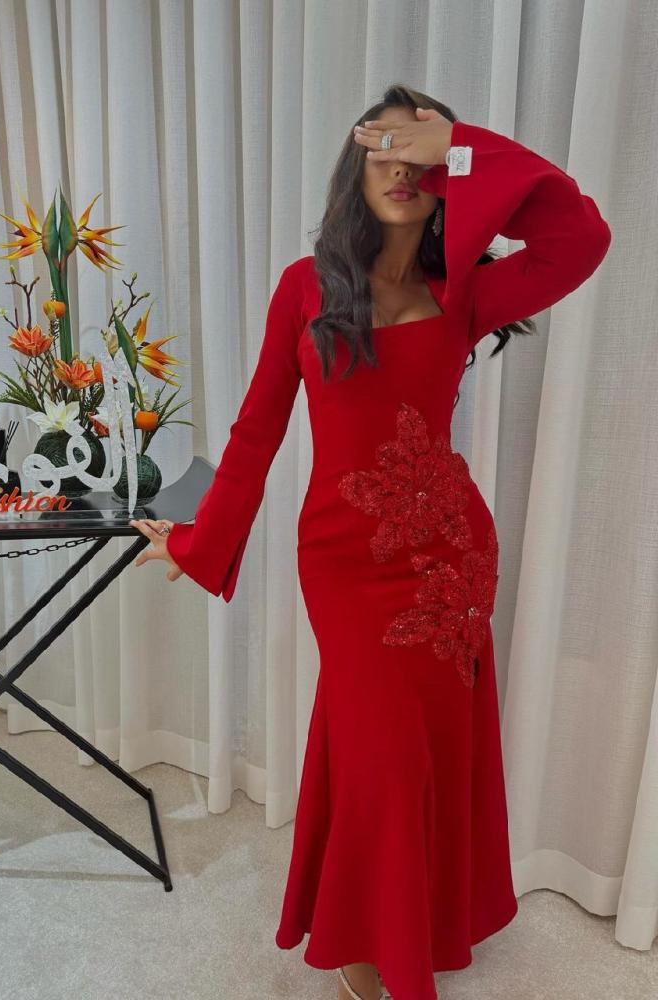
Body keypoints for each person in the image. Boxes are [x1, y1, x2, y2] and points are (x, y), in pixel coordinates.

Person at [129, 83, 611, 1000]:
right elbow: (257, 430)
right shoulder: (304, 288)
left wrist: (457, 142)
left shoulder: (463, 289)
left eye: (419, 156)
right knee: (383, 755)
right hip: (345, 564)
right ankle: (368, 941)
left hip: (449, 559)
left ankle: (403, 930)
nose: (400, 169)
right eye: (382, 149)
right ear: (354, 168)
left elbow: (581, 238)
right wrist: (197, 539)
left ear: (446, 177)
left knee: (421, 756)